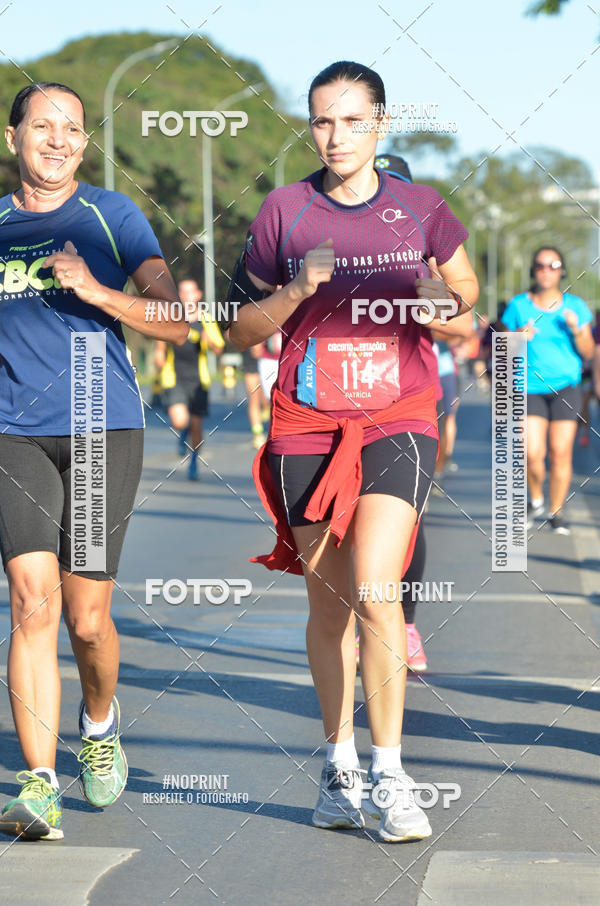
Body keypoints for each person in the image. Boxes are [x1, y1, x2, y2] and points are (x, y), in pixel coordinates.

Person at [226, 61, 478, 842]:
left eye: (351, 120)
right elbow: (238, 330)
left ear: (380, 125)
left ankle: (392, 776)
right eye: (322, 122)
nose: (336, 136)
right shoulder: (284, 210)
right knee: (328, 605)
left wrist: (443, 305)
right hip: (307, 423)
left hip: (399, 417)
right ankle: (338, 770)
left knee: (377, 592)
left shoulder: (421, 208)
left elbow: (465, 307)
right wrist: (296, 292)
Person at [0, 83, 186, 841]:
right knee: (30, 599)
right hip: (12, 431)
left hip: (100, 425)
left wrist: (97, 290)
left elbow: (174, 323)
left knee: (86, 617)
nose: (56, 139)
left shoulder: (114, 216)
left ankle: (100, 723)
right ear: (12, 137)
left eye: (71, 128)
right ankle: (39, 783)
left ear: (84, 142)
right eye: (41, 126)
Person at [501, 247, 594, 534]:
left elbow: (589, 351)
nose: (546, 270)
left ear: (561, 270)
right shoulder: (518, 306)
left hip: (566, 387)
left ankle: (556, 511)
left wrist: (577, 330)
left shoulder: (575, 307)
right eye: (541, 265)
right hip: (527, 386)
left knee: (560, 451)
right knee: (531, 452)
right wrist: (518, 337)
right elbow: (501, 350)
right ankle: (536, 498)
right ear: (533, 270)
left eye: (553, 265)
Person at [154, 279, 224, 480]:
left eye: (189, 292)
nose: (185, 296)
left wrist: (208, 341)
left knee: (196, 426)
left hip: (198, 381)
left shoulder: (205, 319)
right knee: (179, 420)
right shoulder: (171, 317)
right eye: (182, 292)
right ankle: (182, 433)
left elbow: (218, 349)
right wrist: (158, 357)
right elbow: (160, 345)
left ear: (198, 295)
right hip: (174, 378)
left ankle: (193, 462)